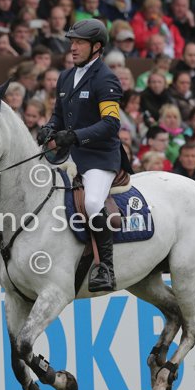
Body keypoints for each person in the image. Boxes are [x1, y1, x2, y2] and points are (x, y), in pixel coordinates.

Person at [36, 18, 123, 291]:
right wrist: (50, 128)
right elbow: (59, 115)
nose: (73, 48)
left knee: (93, 203)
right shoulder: (65, 76)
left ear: (96, 47)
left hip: (99, 157)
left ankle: (105, 267)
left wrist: (75, 136)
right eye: (72, 42)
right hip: (70, 155)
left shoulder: (106, 78)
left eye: (79, 43)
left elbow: (111, 124)